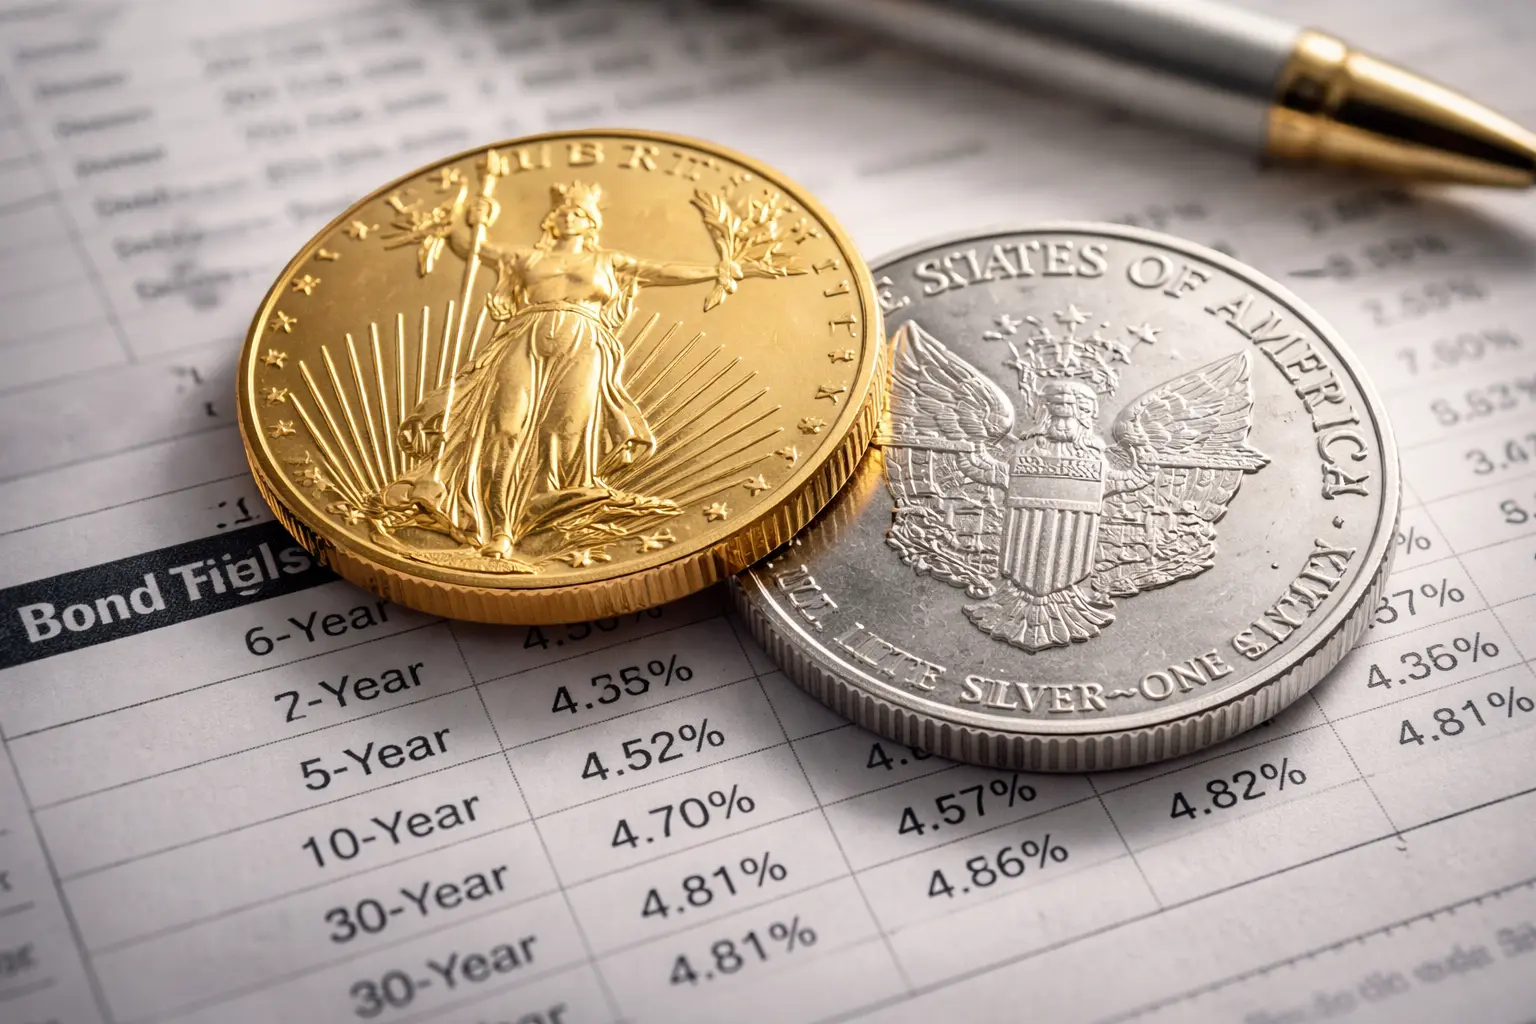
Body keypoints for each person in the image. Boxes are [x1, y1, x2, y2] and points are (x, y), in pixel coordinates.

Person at [376, 181, 740, 569]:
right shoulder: (526, 258)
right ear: (552, 219)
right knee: (504, 428)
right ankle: (496, 526)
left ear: (590, 223)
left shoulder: (609, 260)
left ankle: (532, 517)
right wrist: (468, 221)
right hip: (524, 336)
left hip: (585, 340)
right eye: (564, 212)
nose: (570, 217)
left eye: (579, 213)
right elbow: (473, 248)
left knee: (561, 432)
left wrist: (715, 270)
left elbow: (662, 270)